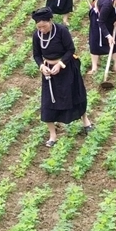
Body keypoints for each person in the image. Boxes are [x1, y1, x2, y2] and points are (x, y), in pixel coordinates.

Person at [31, 8, 91, 145]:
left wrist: (60, 64)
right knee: (48, 103)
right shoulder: (37, 35)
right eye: (38, 27)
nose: (41, 30)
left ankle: (86, 122)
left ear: (50, 21)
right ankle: (53, 135)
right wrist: (41, 66)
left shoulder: (61, 31)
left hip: (66, 67)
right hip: (49, 73)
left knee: (75, 95)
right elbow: (36, 54)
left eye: (44, 26)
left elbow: (71, 49)